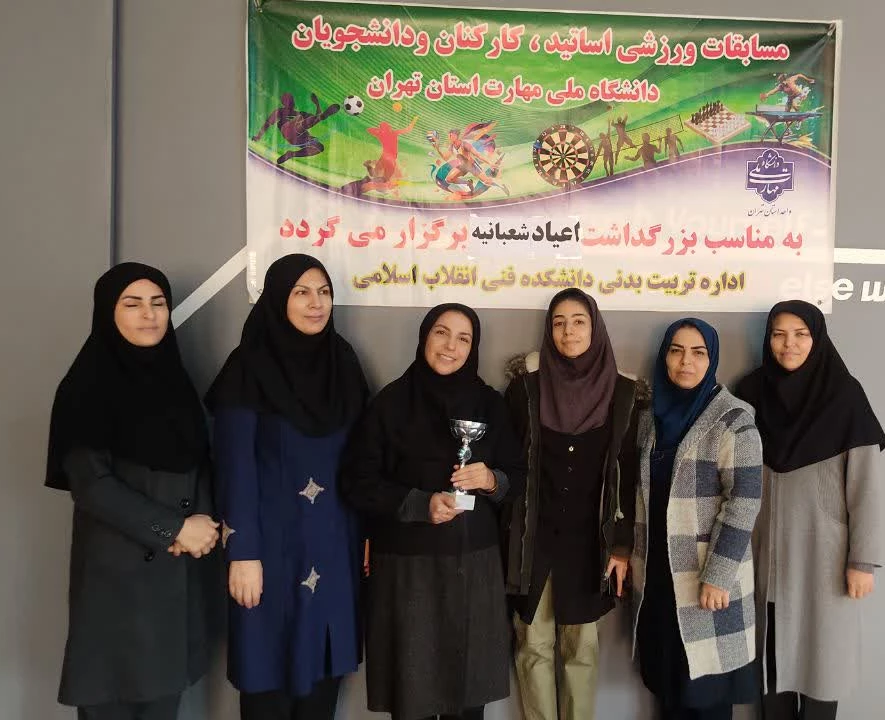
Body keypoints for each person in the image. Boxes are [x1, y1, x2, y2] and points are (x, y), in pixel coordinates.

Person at [46, 262, 219, 720]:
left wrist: (201, 524)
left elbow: (201, 458)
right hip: (118, 580)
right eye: (133, 303)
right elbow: (92, 486)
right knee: (112, 701)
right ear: (108, 312)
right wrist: (175, 529)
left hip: (177, 573)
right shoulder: (84, 388)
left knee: (163, 701)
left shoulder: (177, 382)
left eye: (158, 303)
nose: (149, 314)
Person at [342, 303, 526, 720]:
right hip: (408, 574)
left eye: (464, 339)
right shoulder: (390, 403)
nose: (450, 346)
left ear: (473, 348)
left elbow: (518, 477)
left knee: (467, 703)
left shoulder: (489, 405)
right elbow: (357, 481)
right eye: (442, 333)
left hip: (473, 569)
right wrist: (419, 503)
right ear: (425, 336)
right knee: (414, 699)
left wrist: (491, 479)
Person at [205, 253, 369, 720]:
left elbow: (363, 461)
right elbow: (234, 468)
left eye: (324, 292)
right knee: (268, 685)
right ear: (278, 299)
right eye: (301, 292)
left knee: (321, 688)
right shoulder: (248, 367)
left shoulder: (343, 363)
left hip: (335, 552)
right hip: (269, 555)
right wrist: (241, 554)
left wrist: (369, 535)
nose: (316, 303)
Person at [735, 300, 885, 720]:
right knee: (772, 675)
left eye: (801, 334)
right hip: (764, 558)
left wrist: (862, 561)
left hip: (825, 561)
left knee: (824, 669)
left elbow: (866, 487)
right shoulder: (750, 393)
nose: (789, 344)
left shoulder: (845, 395)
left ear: (817, 339)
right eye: (779, 334)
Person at [502, 289, 645, 720]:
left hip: (589, 544)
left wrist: (621, 545)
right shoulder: (525, 389)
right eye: (559, 322)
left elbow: (627, 474)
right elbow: (510, 464)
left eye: (579, 321)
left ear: (595, 327)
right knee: (532, 646)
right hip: (533, 541)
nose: (568, 332)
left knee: (581, 650)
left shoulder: (623, 393)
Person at [632, 318, 763, 720]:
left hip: (705, 579)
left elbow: (744, 501)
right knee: (669, 690)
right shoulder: (650, 418)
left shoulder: (733, 419)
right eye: (676, 351)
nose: (685, 361)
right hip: (660, 576)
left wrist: (718, 576)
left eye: (698, 352)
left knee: (706, 697)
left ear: (712, 359)